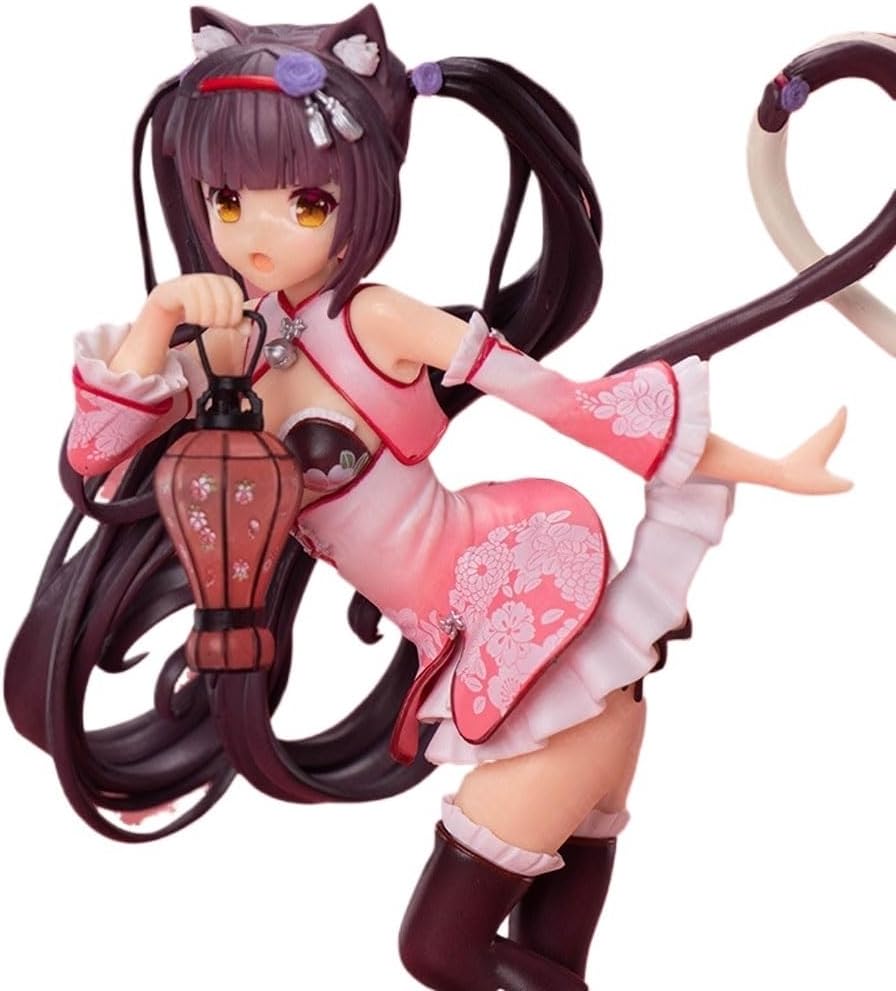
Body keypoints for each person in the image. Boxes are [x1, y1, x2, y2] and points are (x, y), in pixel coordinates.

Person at [3, 7, 882, 989]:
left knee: (437, 950)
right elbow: (96, 458)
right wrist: (162, 312)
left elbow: (562, 403)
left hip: (523, 624)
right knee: (540, 960)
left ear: (362, 192)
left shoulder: (376, 320)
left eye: (303, 203)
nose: (256, 235)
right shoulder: (228, 344)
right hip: (478, 663)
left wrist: (757, 464)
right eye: (225, 200)